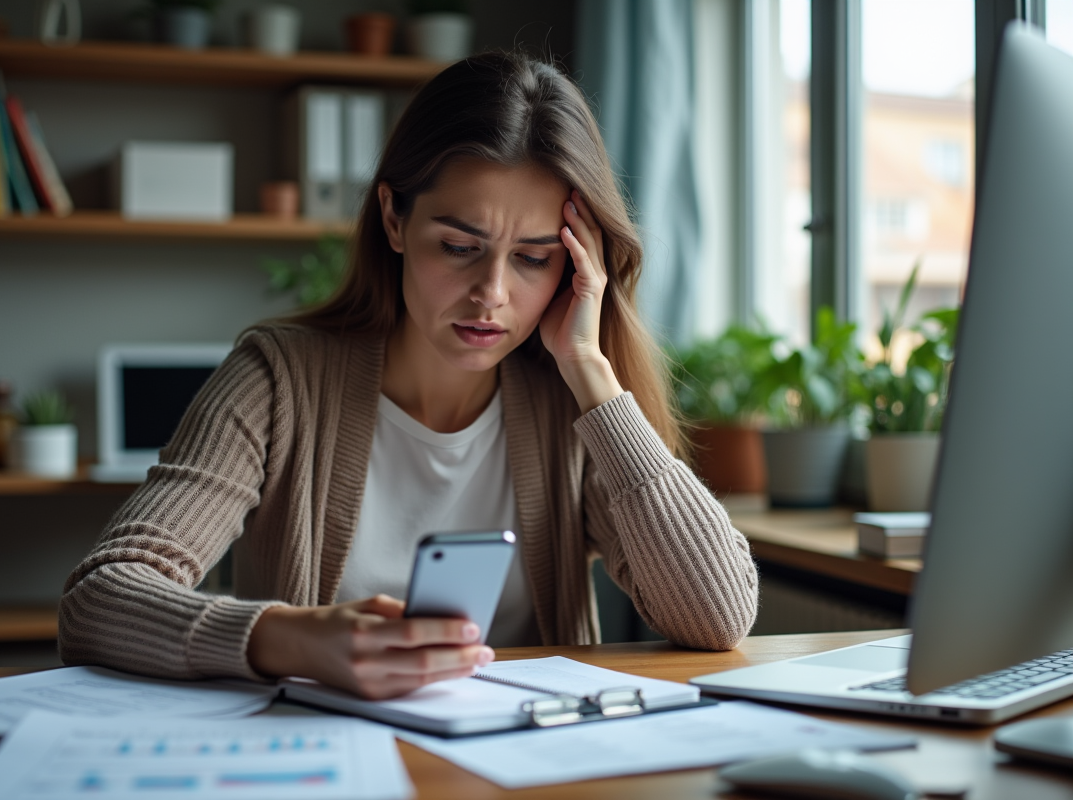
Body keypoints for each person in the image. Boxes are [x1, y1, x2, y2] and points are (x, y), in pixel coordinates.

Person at [59, 52, 758, 700]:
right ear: (394, 217)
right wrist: (295, 640)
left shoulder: (570, 404)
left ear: (580, 267)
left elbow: (719, 616)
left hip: (529, 762)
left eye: (534, 258)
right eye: (459, 246)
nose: (491, 293)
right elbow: (99, 601)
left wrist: (592, 374)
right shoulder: (278, 380)